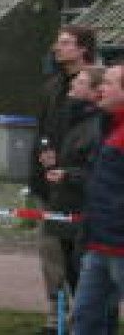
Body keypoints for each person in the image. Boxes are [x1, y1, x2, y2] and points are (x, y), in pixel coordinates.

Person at [34, 25, 96, 333]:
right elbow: (43, 129)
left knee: (79, 259)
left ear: (83, 49)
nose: (57, 48)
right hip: (49, 183)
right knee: (49, 252)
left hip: (78, 188)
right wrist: (43, 155)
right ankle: (55, 313)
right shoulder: (52, 86)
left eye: (65, 43)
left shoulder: (95, 86)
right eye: (58, 42)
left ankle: (81, 317)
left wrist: (67, 166)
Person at [39, 66, 107, 332]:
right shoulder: (75, 120)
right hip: (65, 212)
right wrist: (55, 161)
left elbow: (94, 170)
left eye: (79, 83)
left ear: (93, 92)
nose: (72, 87)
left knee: (87, 285)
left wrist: (67, 174)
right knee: (73, 276)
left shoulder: (96, 125)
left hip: (81, 214)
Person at [71, 64, 124, 334]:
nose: (100, 88)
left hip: (119, 245)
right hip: (98, 245)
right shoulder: (107, 127)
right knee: (83, 321)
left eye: (109, 83)